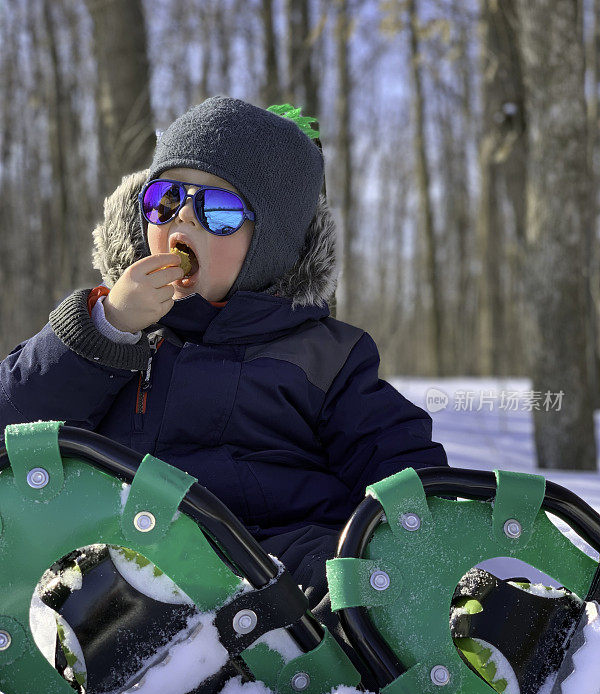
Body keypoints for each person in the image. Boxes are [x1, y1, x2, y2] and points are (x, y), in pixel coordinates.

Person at [0, 96, 447, 642]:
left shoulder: (324, 356)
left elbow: (399, 466)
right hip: (133, 574)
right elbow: (14, 418)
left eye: (219, 209)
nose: (183, 217)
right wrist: (109, 327)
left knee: (341, 585)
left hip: (281, 569)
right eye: (164, 200)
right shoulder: (112, 332)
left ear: (272, 245)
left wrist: (410, 545)